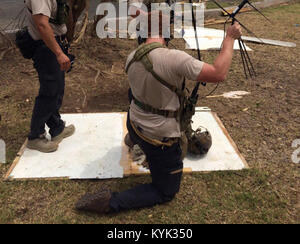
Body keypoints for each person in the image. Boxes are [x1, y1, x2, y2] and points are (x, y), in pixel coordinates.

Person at [75, 16, 242, 215]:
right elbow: (218, 73)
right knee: (166, 191)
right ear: (166, 34)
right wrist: (229, 38)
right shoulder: (175, 58)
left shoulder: (132, 56)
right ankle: (112, 202)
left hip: (135, 125)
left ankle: (134, 141)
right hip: (159, 139)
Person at [24, 0, 75, 153]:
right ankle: (35, 136)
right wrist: (58, 53)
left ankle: (56, 128)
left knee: (56, 89)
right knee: (49, 92)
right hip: (46, 49)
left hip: (52, 47)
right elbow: (42, 25)